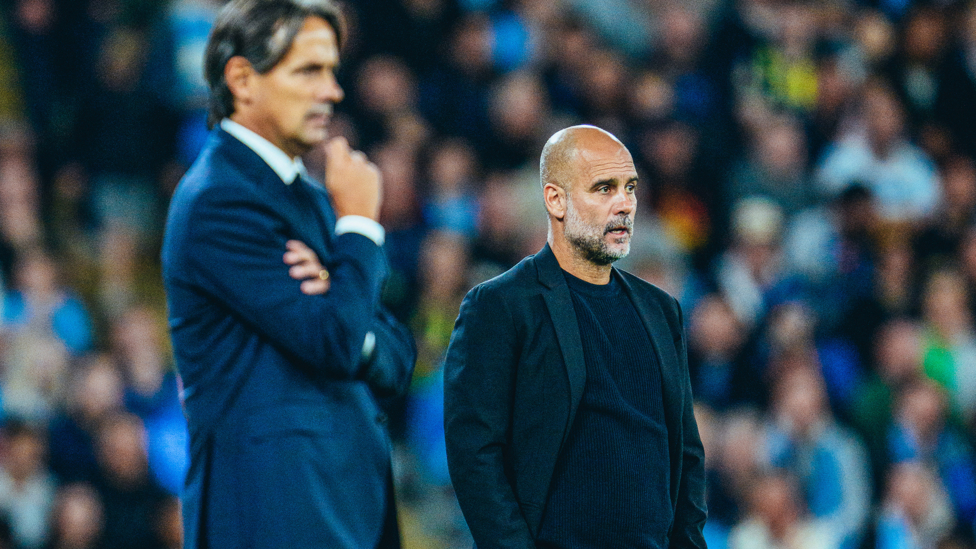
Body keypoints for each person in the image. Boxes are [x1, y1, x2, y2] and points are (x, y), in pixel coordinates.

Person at [161, 1, 415, 548]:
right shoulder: (220, 200)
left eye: (332, 70)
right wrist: (358, 228)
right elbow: (331, 340)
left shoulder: (314, 197)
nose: (332, 91)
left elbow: (396, 357)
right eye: (309, 70)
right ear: (242, 79)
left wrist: (346, 307)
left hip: (341, 508)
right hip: (273, 515)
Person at [444, 125, 707, 548]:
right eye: (604, 188)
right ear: (556, 199)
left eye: (630, 188)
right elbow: (474, 454)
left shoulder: (662, 311)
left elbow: (687, 454)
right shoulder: (499, 306)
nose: (624, 204)